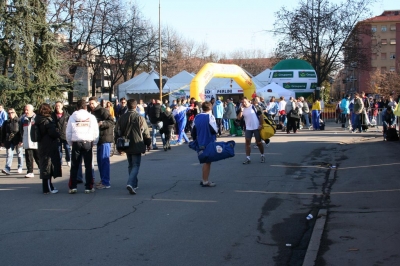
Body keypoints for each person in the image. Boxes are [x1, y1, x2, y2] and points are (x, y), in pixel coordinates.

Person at [115, 99, 151, 195]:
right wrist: (148, 143)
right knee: (136, 165)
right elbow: (146, 132)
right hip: (137, 143)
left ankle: (134, 184)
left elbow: (117, 131)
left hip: (126, 144)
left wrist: (118, 145)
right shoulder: (140, 118)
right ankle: (131, 183)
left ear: (127, 106)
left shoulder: (122, 118)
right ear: (136, 107)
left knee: (131, 164)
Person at [66, 99, 99, 194]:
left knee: (75, 165)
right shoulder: (91, 117)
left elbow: (68, 131)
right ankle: (88, 187)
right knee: (88, 166)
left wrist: (70, 142)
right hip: (88, 141)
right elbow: (95, 131)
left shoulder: (72, 117)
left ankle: (73, 187)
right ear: (86, 107)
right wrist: (95, 142)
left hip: (76, 142)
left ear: (77, 107)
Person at [88, 96, 115, 189]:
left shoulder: (103, 111)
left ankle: (106, 182)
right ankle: (103, 180)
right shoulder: (92, 112)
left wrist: (102, 124)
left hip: (105, 138)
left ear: (97, 103)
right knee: (100, 161)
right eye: (90, 104)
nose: (91, 105)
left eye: (93, 103)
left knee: (104, 161)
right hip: (98, 139)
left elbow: (111, 121)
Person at [35, 103, 61, 194]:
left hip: (42, 145)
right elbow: (52, 133)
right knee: (48, 167)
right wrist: (59, 134)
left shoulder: (38, 119)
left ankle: (47, 187)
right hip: (49, 145)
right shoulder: (47, 120)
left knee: (44, 165)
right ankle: (48, 188)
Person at [191, 101, 218, 187]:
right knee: (207, 162)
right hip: (208, 141)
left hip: (200, 141)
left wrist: (195, 139)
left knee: (204, 160)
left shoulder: (197, 117)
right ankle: (205, 181)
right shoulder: (210, 117)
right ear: (210, 108)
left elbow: (193, 130)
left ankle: (204, 178)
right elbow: (215, 130)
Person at [237, 97, 265, 164]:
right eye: (242, 102)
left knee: (259, 143)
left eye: (245, 102)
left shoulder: (255, 107)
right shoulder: (242, 109)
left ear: (249, 101)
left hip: (256, 127)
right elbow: (239, 118)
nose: (244, 103)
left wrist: (261, 124)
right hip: (248, 128)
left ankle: (262, 155)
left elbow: (261, 116)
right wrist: (241, 110)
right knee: (247, 143)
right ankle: (248, 158)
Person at [1, 108, 23, 175]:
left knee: (19, 154)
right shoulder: (6, 122)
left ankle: (20, 167)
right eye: (9, 113)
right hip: (9, 140)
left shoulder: (19, 121)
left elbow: (21, 132)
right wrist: (2, 141)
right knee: (9, 154)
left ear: (15, 112)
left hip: (18, 140)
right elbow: (3, 132)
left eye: (12, 112)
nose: (10, 114)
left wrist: (21, 140)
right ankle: (7, 168)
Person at [20, 104, 40, 178]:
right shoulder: (23, 119)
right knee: (28, 157)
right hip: (26, 140)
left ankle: (41, 168)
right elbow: (21, 130)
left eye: (27, 110)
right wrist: (21, 139)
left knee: (37, 156)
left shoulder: (37, 118)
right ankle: (30, 171)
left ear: (32, 110)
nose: (26, 111)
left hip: (35, 141)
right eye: (25, 110)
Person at [52, 101, 71, 167]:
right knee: (58, 150)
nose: (57, 107)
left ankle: (68, 160)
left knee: (67, 148)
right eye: (56, 106)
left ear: (62, 106)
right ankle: (60, 163)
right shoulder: (53, 115)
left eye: (59, 105)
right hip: (57, 135)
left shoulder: (67, 115)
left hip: (65, 134)